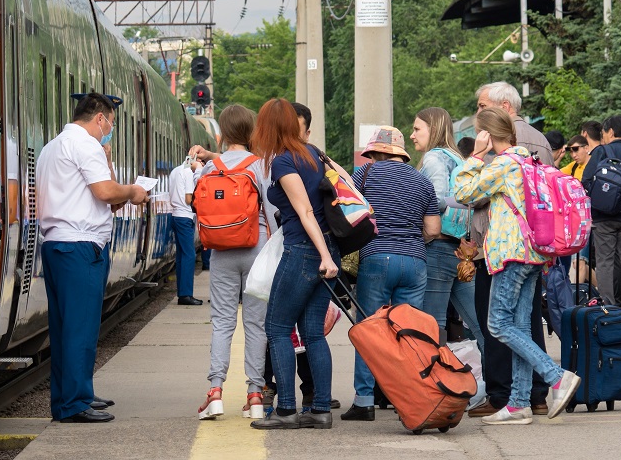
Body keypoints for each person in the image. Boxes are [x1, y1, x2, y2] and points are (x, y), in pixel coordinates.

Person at [454, 107, 581, 424]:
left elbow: (463, 192)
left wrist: (475, 155)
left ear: (486, 134)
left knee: (498, 324)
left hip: (511, 254)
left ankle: (556, 377)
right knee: (521, 326)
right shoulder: (527, 160)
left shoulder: (505, 163)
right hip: (534, 254)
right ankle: (519, 403)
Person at [37, 93, 148, 423]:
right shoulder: (84, 144)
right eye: (110, 123)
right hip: (80, 248)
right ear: (100, 118)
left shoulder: (52, 147)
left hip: (57, 245)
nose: (109, 130)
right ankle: (74, 403)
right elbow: (107, 192)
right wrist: (133, 191)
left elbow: (103, 196)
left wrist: (108, 160)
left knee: (64, 329)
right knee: (80, 329)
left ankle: (71, 396)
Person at [248, 98, 339, 430]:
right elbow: (347, 184)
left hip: (304, 250)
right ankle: (319, 409)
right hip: (324, 245)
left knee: (276, 328)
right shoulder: (313, 153)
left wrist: (324, 257)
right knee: (313, 332)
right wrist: (329, 252)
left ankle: (287, 409)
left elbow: (304, 211)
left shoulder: (285, 162)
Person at [341, 126, 441, 421]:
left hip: (376, 259)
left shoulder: (365, 175)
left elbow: (349, 214)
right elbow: (434, 229)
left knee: (370, 330)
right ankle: (408, 399)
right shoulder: (423, 181)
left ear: (376, 152)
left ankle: (364, 400)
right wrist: (409, 241)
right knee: (409, 332)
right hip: (415, 262)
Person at [467, 81, 554, 418]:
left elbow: (473, 193)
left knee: (497, 323)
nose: (478, 112)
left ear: (503, 107)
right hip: (535, 244)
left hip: (501, 246)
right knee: (527, 318)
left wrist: (474, 157)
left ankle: (507, 391)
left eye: (482, 105)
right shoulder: (541, 140)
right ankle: (533, 395)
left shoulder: (495, 142)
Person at [189, 104, 272, 421]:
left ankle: (215, 392)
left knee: (222, 322)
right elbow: (272, 212)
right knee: (255, 324)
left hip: (221, 252)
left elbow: (199, 210)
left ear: (221, 136)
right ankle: (254, 395)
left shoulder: (212, 169)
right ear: (252, 133)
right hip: (256, 250)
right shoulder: (260, 167)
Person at [410, 107, 483, 350]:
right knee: (478, 322)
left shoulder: (433, 158)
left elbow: (437, 199)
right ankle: (499, 381)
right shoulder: (457, 158)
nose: (412, 135)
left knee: (433, 324)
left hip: (437, 246)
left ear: (433, 129)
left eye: (417, 129)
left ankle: (435, 382)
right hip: (459, 249)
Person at [580, 115, 621, 321]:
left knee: (605, 262)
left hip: (604, 216)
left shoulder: (601, 152)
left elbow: (586, 180)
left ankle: (609, 308)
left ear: (610, 132)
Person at [168, 155, 203, 305]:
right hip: (185, 216)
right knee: (189, 255)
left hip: (175, 216)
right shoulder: (189, 173)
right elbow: (189, 199)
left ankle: (182, 293)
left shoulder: (175, 170)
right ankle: (186, 295)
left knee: (182, 255)